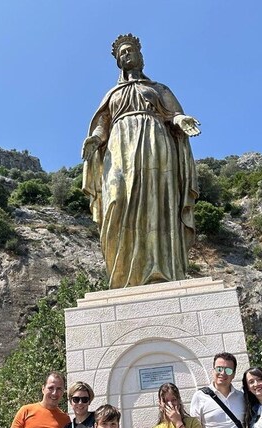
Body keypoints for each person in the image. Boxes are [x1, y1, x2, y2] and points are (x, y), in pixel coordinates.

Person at [82, 33, 200, 288]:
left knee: (156, 201)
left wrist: (181, 120)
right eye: (121, 53)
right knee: (116, 201)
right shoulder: (113, 94)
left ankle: (162, 269)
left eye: (130, 50)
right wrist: (95, 138)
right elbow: (104, 123)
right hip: (118, 148)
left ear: (140, 56)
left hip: (155, 144)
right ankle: (123, 275)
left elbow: (174, 114)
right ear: (118, 62)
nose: (126, 55)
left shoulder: (158, 88)